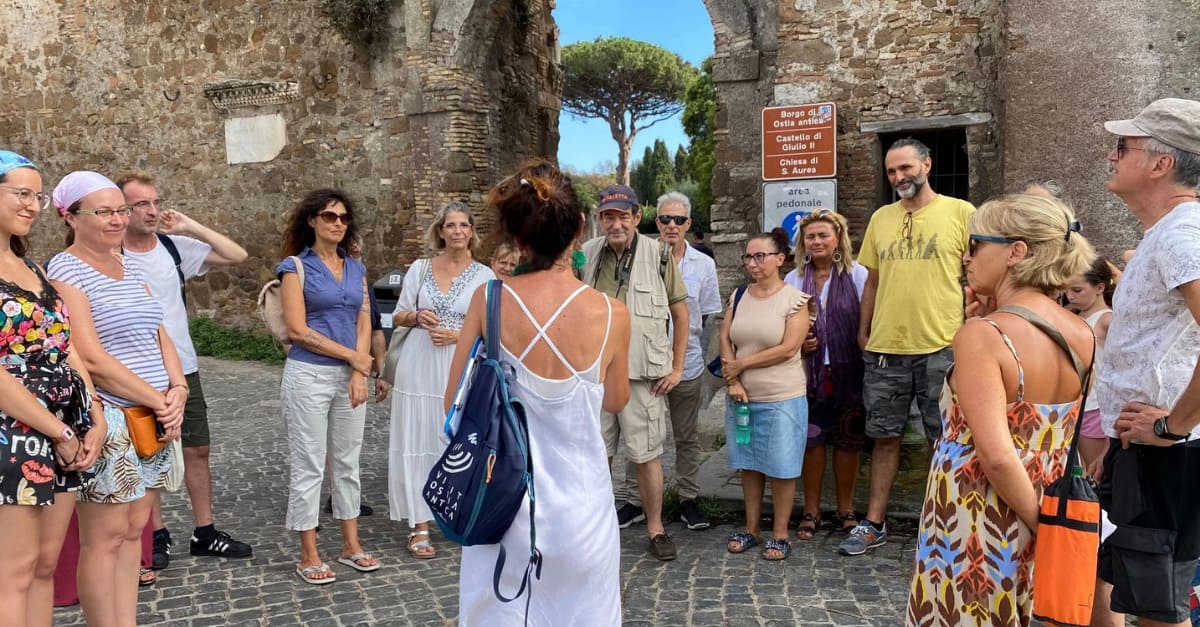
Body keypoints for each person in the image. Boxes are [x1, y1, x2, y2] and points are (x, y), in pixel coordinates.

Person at [452, 159, 631, 625]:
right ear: (579, 227)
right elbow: (615, 401)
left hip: (501, 500)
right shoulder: (612, 313)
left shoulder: (488, 300)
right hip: (583, 508)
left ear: (514, 236)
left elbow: (454, 399)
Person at [905, 193, 1095, 627]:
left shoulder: (983, 335)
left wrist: (1041, 527)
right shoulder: (1081, 330)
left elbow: (996, 455)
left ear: (1016, 252)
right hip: (1051, 494)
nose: (966, 256)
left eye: (975, 244)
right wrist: (1053, 524)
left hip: (979, 512)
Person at [47, 171, 182, 626]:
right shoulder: (66, 270)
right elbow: (90, 355)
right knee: (103, 539)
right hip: (113, 413)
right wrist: (158, 400)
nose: (117, 219)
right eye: (103, 212)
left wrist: (177, 388)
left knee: (131, 534)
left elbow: (158, 332)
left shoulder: (131, 263)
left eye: (120, 210)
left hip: (153, 412)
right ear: (70, 217)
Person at [1092, 98, 1200, 627]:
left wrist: (1173, 426)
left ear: (1162, 164)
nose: (1111, 155)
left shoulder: (1183, 235)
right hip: (1144, 448)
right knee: (1126, 589)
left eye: (1123, 147)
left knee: (1158, 608)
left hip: (1167, 453)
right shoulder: (1168, 234)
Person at [841, 138, 974, 557]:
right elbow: (873, 282)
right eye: (892, 171)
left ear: (927, 165)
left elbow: (975, 278)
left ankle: (943, 525)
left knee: (946, 440)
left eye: (905, 168)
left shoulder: (961, 213)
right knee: (884, 437)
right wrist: (864, 330)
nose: (899, 177)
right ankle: (873, 523)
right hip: (885, 349)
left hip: (943, 346)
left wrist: (973, 332)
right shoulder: (881, 218)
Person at [116, 171, 253, 569]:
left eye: (155, 202)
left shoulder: (173, 249)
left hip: (184, 367)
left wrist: (190, 224)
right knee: (147, 451)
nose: (152, 211)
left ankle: (204, 532)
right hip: (136, 370)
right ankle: (155, 535)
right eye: (142, 204)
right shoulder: (111, 255)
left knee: (197, 449)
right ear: (122, 209)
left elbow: (237, 255)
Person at [0, 151, 105, 626]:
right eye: (21, 193)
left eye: (37, 196)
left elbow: (67, 349)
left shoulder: (35, 270)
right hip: (14, 434)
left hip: (64, 429)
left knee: (44, 567)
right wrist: (57, 433)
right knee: (12, 573)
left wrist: (94, 418)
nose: (33, 205)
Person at [581, 184, 689, 561]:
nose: (615, 223)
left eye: (622, 216)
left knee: (646, 455)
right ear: (600, 219)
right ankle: (594, 525)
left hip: (642, 376)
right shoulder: (586, 255)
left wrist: (676, 368)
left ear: (636, 217)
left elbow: (680, 312)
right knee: (596, 453)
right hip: (595, 375)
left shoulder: (659, 254)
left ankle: (656, 528)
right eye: (608, 216)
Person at [276, 188, 378, 584]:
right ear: (312, 221)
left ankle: (351, 545)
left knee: (348, 462)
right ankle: (309, 553)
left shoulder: (356, 268)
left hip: (347, 378)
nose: (337, 223)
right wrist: (352, 357)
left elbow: (363, 321)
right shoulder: (294, 268)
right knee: (310, 463)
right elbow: (298, 330)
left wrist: (358, 371)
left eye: (343, 217)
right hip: (309, 376)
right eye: (329, 216)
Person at [388, 201, 494, 559]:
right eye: (451, 225)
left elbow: (493, 329)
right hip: (418, 365)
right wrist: (417, 316)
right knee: (417, 438)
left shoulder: (485, 276)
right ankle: (419, 525)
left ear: (472, 231)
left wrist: (459, 335)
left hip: (461, 366)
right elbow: (397, 316)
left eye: (464, 225)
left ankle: (456, 514)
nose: (458, 231)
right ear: (441, 231)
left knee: (457, 442)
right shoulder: (419, 269)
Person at [618, 191, 720, 531]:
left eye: (678, 220)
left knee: (687, 437)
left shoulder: (704, 265)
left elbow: (704, 316)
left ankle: (689, 498)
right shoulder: (638, 259)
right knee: (640, 437)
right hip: (643, 365)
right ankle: (635, 500)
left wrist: (677, 357)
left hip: (685, 364)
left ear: (688, 224)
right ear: (655, 222)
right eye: (664, 219)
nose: (671, 225)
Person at [721, 228, 811, 561]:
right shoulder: (739, 295)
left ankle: (780, 532)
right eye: (748, 256)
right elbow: (725, 337)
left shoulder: (795, 300)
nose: (753, 263)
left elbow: (789, 348)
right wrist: (733, 379)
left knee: (781, 466)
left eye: (760, 256)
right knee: (749, 464)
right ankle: (751, 528)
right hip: (743, 396)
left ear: (780, 259)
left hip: (781, 397)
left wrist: (741, 364)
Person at [783, 210, 868, 539]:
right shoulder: (793, 280)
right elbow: (785, 324)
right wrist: (799, 339)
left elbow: (867, 320)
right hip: (809, 373)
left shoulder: (857, 275)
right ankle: (811, 510)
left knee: (848, 440)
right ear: (803, 242)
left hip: (848, 370)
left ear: (838, 240)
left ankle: (845, 508)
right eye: (811, 236)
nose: (816, 241)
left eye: (823, 236)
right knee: (812, 441)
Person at [1063, 255, 1113, 466]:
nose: (1070, 296)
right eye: (1066, 290)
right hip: (1075, 404)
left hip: (1094, 407)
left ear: (1099, 288)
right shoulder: (1070, 315)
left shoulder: (1107, 320)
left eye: (1077, 290)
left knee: (1094, 473)